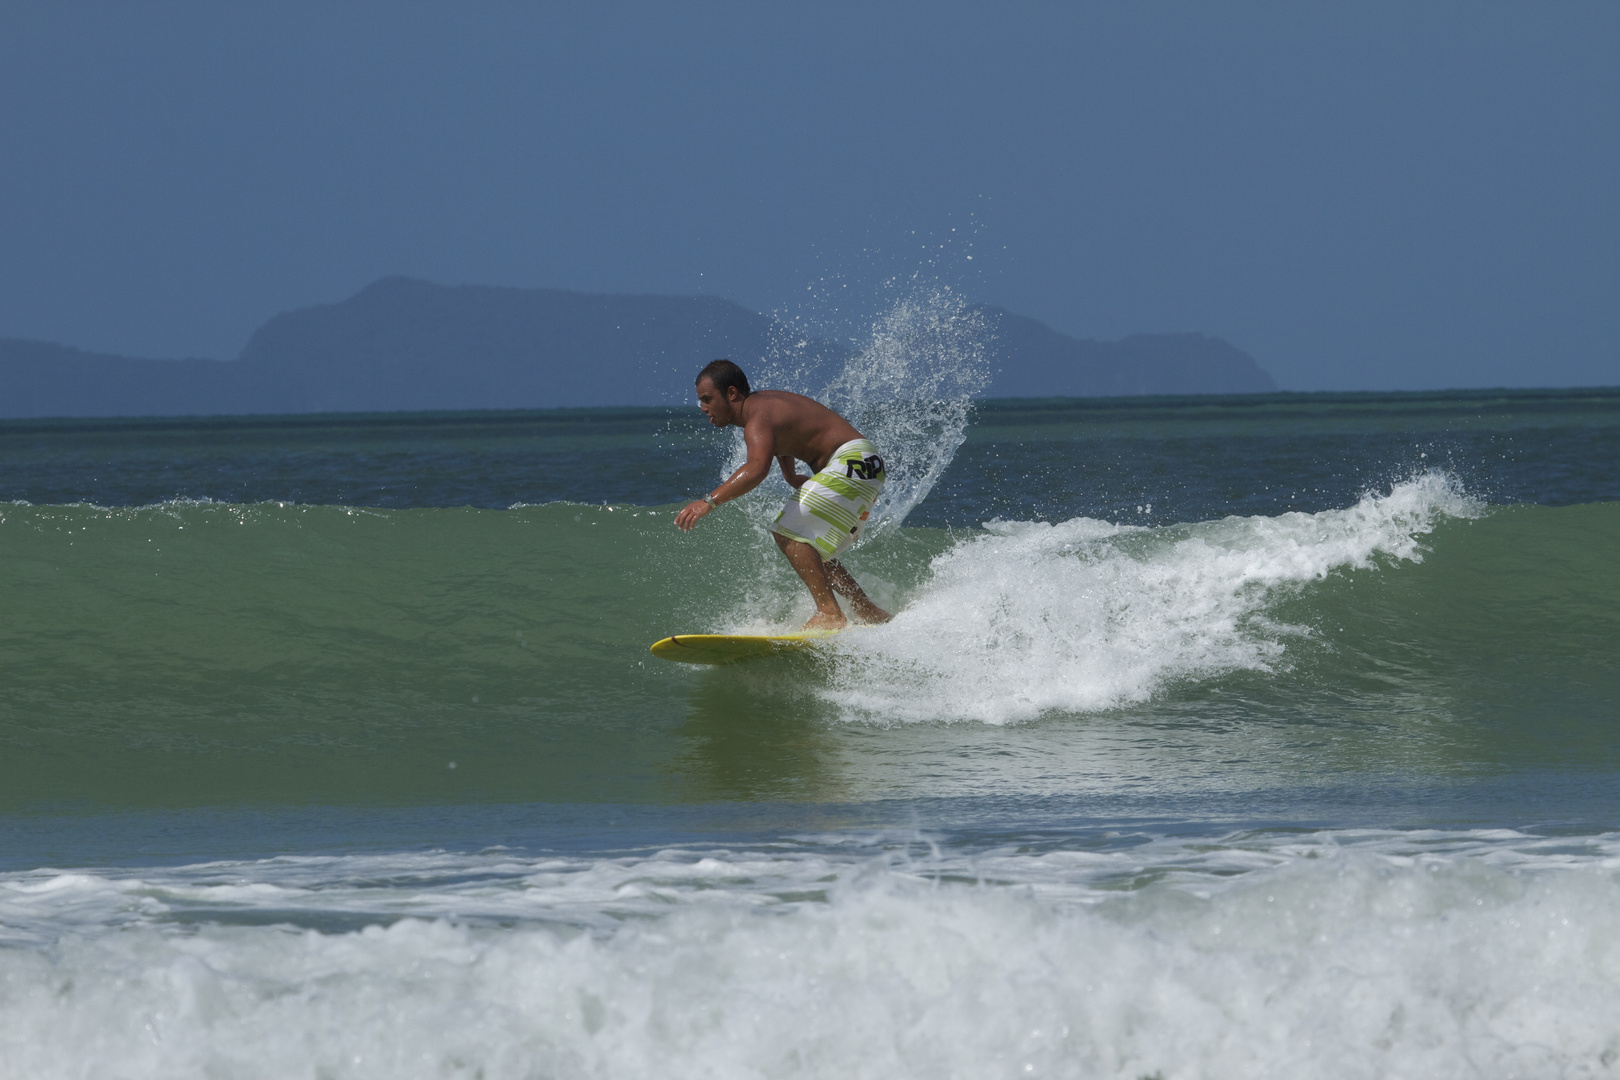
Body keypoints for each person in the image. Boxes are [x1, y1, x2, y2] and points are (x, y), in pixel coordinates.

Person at [674, 359, 893, 630]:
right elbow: (785, 433)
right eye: (700, 402)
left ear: (731, 394)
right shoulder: (764, 407)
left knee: (787, 531)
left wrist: (709, 501)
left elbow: (756, 469)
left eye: (707, 399)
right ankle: (868, 611)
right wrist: (790, 475)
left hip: (852, 461)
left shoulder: (757, 417)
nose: (704, 408)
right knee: (812, 546)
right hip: (866, 463)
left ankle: (830, 614)